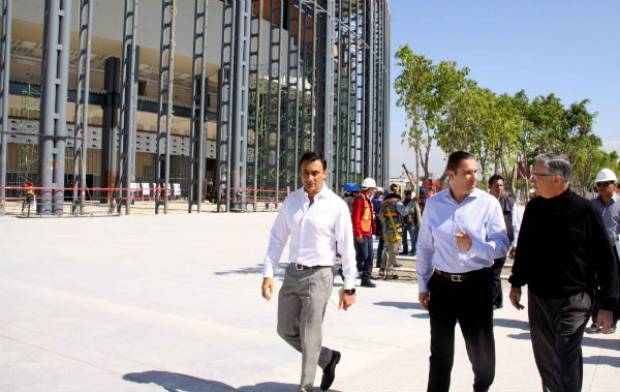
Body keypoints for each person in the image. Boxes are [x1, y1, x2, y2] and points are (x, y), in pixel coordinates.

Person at [509, 154, 619, 392]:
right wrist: (516, 283)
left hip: (575, 299)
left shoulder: (585, 211)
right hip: (539, 299)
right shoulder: (534, 208)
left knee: (566, 355)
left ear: (557, 179)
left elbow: (606, 260)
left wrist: (608, 305)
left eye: (537, 175)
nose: (533, 179)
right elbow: (525, 248)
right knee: (547, 360)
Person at [261, 151, 357, 392]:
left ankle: (305, 387)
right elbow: (277, 238)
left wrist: (350, 286)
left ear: (324, 173)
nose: (310, 178)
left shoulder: (336, 206)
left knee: (310, 333)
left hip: (320, 276)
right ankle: (326, 358)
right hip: (293, 274)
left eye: (315, 173)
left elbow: (346, 248)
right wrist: (268, 273)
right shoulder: (292, 201)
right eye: (306, 173)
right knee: (285, 329)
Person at [417, 151, 509, 392]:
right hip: (442, 286)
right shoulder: (435, 205)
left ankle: (481, 386)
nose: (473, 177)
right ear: (452, 175)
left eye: (475, 172)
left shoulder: (488, 204)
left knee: (483, 362)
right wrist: (423, 285)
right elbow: (425, 247)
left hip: (476, 286)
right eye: (467, 172)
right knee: (440, 356)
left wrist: (473, 247)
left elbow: (502, 245)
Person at [585, 168, 620, 334]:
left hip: (615, 251)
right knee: (595, 286)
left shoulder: (619, 204)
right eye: (599, 184)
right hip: (595, 251)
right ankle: (595, 320)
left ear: (614, 185)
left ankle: (612, 320)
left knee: (614, 286)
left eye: (606, 184)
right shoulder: (592, 206)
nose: (603, 187)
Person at [487, 174, 514, 309]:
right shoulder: (486, 203)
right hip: (488, 243)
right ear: (490, 187)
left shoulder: (508, 202)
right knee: (492, 273)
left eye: (501, 185)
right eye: (497, 186)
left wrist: (512, 244)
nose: (500, 188)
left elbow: (512, 224)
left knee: (494, 273)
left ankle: (493, 302)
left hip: (503, 243)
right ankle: (498, 301)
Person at [378, 192, 411, 279]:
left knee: (387, 249)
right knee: (393, 251)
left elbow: (380, 216)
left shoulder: (384, 204)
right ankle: (389, 272)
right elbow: (404, 212)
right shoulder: (397, 203)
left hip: (386, 230)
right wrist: (411, 204)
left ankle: (382, 269)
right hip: (395, 230)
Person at [352, 177, 377, 287]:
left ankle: (365, 278)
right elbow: (356, 217)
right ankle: (346, 270)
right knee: (363, 255)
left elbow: (370, 217)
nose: (373, 191)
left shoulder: (367, 199)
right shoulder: (360, 199)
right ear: (368, 189)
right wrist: (358, 233)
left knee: (370, 256)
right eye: (372, 189)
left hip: (368, 232)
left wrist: (374, 230)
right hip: (361, 232)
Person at [401, 189, 418, 256]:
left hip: (411, 223)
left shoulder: (413, 203)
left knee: (413, 238)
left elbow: (415, 212)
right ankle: (405, 250)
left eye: (409, 195)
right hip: (404, 223)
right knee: (404, 238)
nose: (408, 196)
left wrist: (416, 222)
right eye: (407, 195)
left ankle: (414, 251)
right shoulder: (403, 202)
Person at [372, 187, 385, 270]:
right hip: (380, 222)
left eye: (381, 192)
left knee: (382, 244)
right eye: (378, 192)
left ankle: (379, 263)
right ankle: (380, 263)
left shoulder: (382, 199)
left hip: (382, 221)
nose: (380, 193)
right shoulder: (374, 199)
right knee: (382, 243)